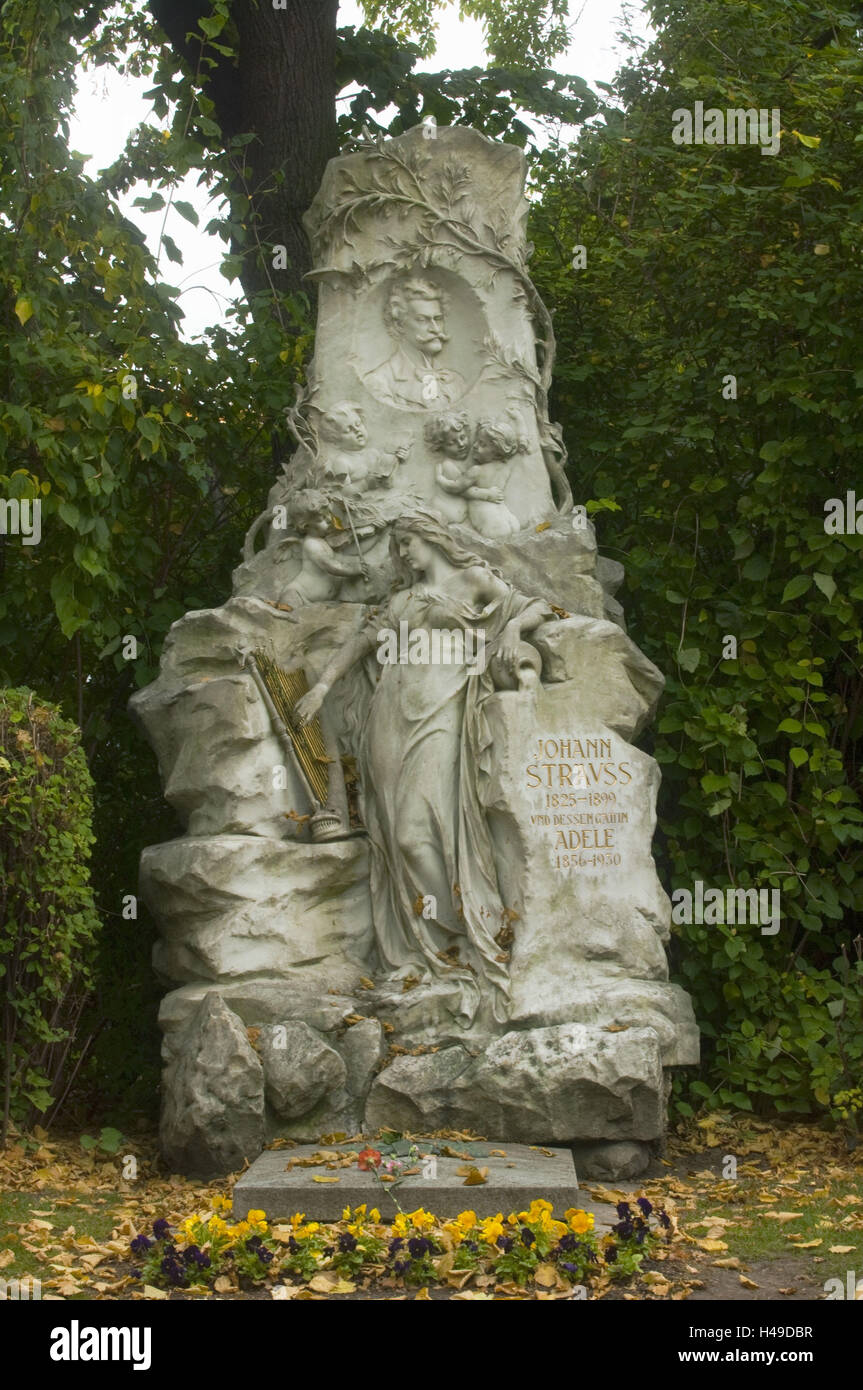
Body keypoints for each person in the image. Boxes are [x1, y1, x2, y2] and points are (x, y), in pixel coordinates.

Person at [295, 511, 556, 1026]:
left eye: (409, 543)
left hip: (444, 705)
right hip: (390, 710)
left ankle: (457, 935)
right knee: (393, 828)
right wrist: (322, 686)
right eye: (399, 549)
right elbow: (362, 642)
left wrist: (511, 633)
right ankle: (424, 948)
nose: (404, 556)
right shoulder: (402, 600)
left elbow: (535, 606)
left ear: (433, 539)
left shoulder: (473, 579)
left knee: (421, 830)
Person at [363, 276, 466, 411]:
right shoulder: (380, 382)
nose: (435, 329)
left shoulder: (456, 382)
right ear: (399, 324)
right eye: (422, 320)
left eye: (438, 319)